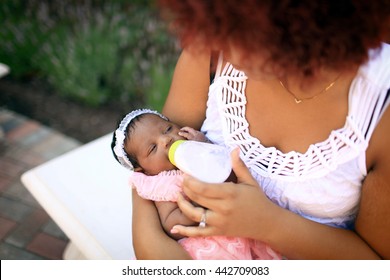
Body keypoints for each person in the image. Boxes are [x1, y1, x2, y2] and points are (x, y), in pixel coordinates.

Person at [131, 0, 390, 259]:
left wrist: (269, 224)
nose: (222, 43)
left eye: (242, 30)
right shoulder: (214, 38)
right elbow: (149, 166)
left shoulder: (380, 110)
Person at [111, 108, 281, 259]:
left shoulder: (197, 149)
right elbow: (170, 222)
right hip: (207, 244)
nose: (165, 140)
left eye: (168, 129)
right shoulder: (161, 183)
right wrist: (196, 203)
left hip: (238, 224)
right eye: (152, 148)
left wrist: (204, 144)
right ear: (143, 170)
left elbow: (225, 168)